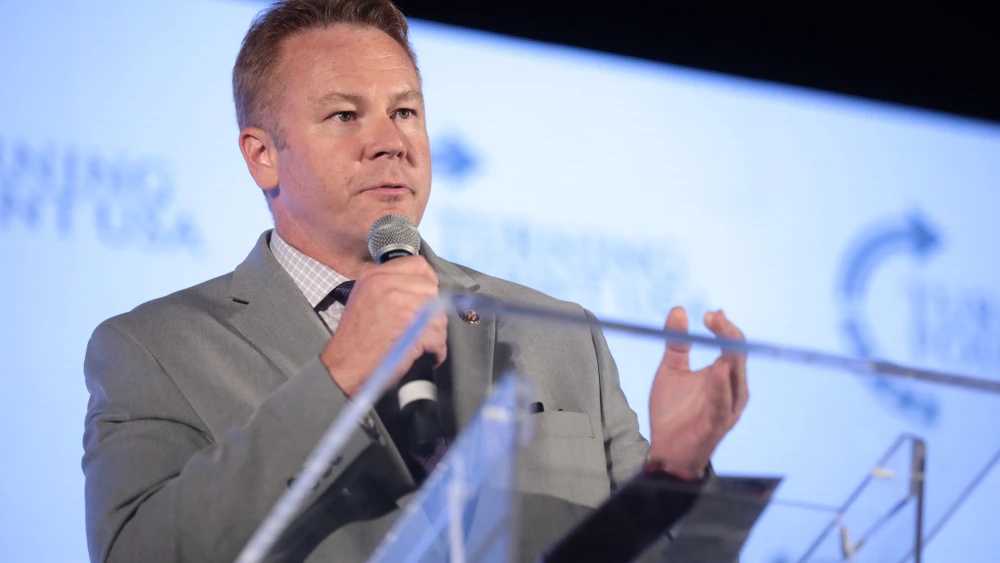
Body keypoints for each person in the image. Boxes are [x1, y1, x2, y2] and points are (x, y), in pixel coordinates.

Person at [81, 1, 749, 561]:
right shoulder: (154, 350)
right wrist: (338, 372)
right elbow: (138, 551)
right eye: (346, 115)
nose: (391, 141)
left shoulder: (557, 334)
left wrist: (678, 473)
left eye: (404, 112)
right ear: (262, 156)